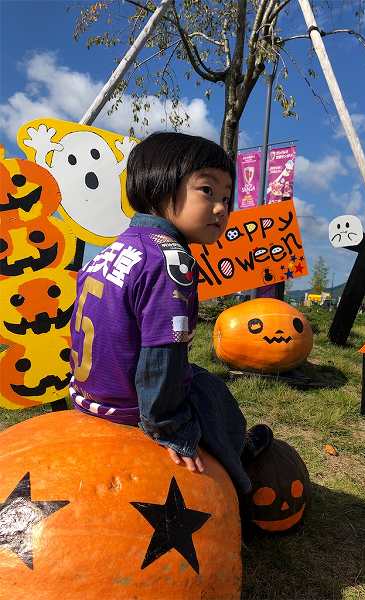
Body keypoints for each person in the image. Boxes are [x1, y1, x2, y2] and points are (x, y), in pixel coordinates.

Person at [69, 131, 272, 494]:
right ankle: (240, 464)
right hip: (132, 410)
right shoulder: (170, 260)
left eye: (227, 197)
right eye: (207, 191)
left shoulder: (109, 251)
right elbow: (162, 354)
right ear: (161, 188)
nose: (222, 208)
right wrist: (171, 427)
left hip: (89, 398)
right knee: (210, 390)